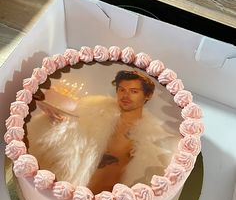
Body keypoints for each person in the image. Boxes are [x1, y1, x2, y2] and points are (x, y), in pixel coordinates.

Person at [30, 70, 171, 193]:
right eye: (121, 90)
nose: (125, 95)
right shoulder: (92, 113)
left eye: (133, 91)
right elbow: (68, 139)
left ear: (148, 95)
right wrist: (55, 121)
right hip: (75, 194)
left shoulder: (153, 137)